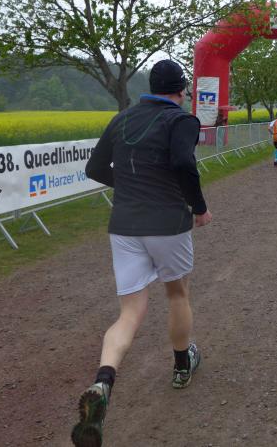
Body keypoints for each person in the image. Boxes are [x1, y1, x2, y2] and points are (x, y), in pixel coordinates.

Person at [73, 59, 211, 446]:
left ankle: (103, 382)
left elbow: (95, 167)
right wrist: (199, 207)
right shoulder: (181, 120)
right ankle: (182, 366)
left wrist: (132, 185)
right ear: (181, 91)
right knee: (177, 293)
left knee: (129, 312)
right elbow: (183, 162)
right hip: (167, 222)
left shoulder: (122, 118)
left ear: (151, 88)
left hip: (125, 225)